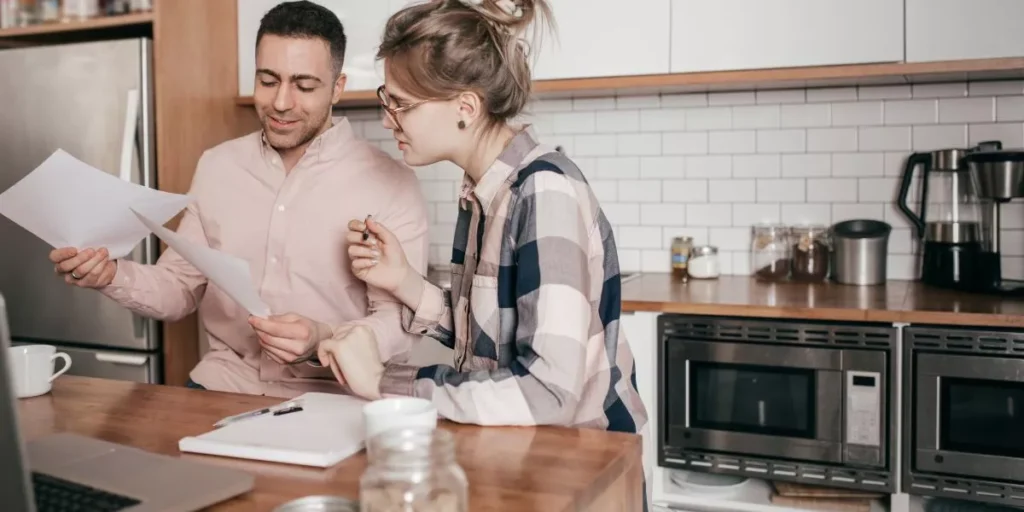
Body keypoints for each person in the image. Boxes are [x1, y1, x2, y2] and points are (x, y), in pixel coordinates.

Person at [47, 0, 429, 398]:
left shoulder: (391, 182)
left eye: (304, 86)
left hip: (335, 395)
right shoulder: (218, 166)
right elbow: (178, 288)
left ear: (337, 88)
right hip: (224, 385)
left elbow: (400, 323)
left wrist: (324, 339)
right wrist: (110, 275)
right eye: (268, 80)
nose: (281, 102)